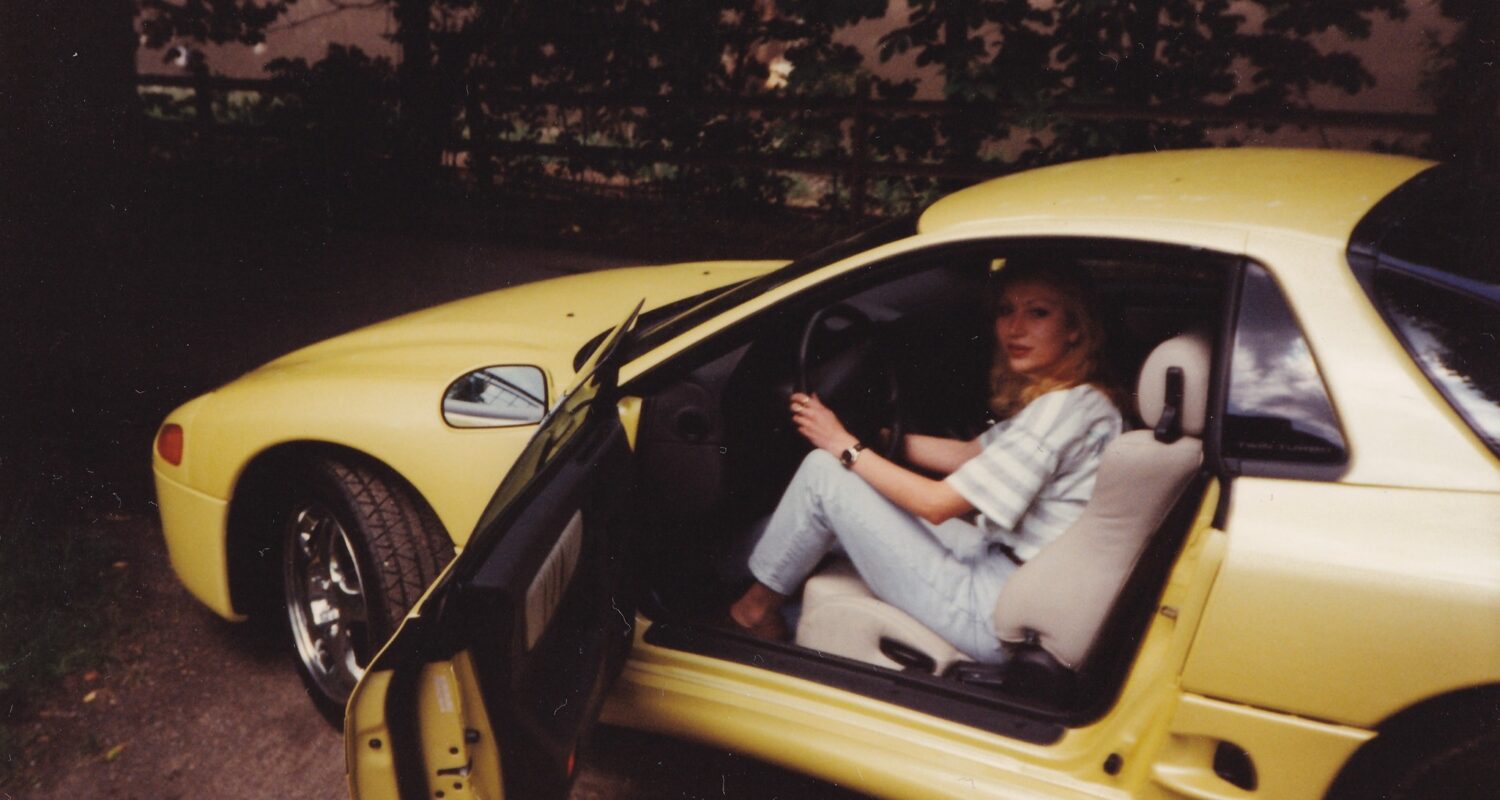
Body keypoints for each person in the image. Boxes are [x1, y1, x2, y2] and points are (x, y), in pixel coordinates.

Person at [727, 261, 1123, 662]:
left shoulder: (1063, 411)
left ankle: (753, 610)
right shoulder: (1082, 403)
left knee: (823, 474)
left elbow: (937, 504)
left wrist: (842, 444)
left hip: (994, 607)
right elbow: (969, 455)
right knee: (840, 493)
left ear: (1075, 328)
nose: (1014, 328)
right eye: (1006, 310)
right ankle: (737, 572)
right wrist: (878, 436)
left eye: (1038, 312)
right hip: (1012, 577)